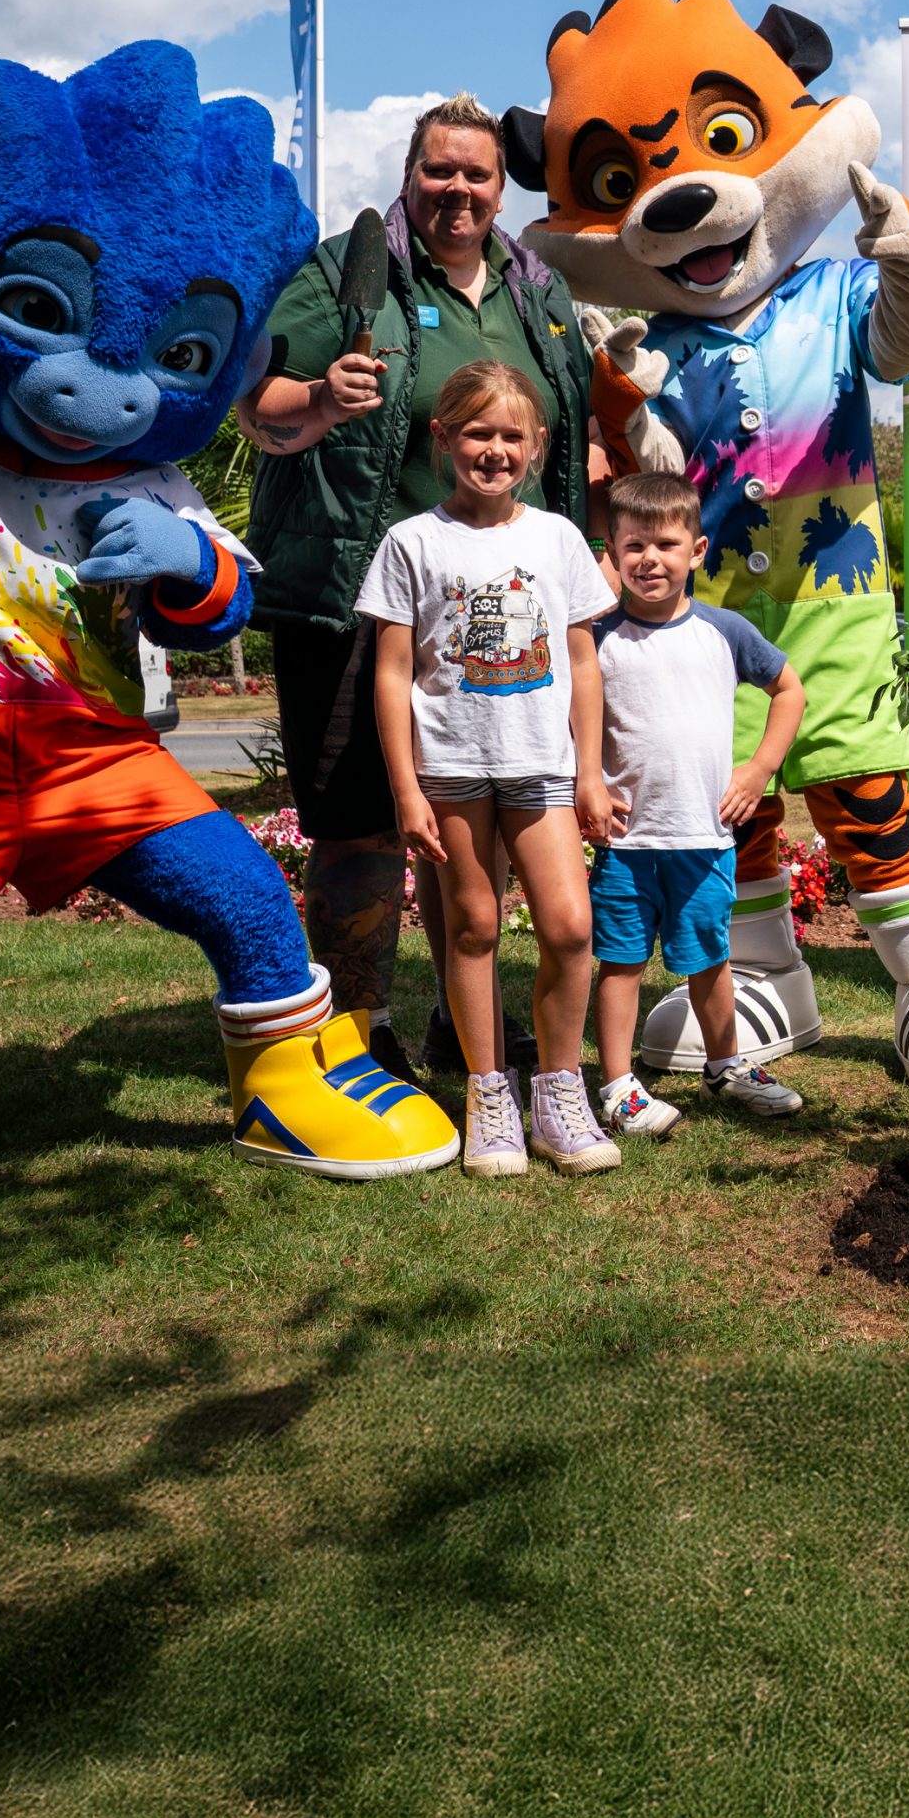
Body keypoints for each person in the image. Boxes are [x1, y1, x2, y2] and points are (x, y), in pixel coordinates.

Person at [240, 97, 596, 1087]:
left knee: (463, 820)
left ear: (500, 186)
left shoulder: (538, 290)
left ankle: (461, 1026)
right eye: (439, 171)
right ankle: (354, 1029)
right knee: (357, 820)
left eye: (476, 174)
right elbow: (254, 405)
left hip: (493, 617)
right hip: (354, 603)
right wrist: (316, 401)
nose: (458, 190)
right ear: (408, 175)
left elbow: (564, 434)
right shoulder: (347, 275)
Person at [360, 361, 619, 1178]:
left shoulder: (556, 537)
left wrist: (589, 771)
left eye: (512, 436)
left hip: (541, 767)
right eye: (478, 433)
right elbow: (393, 672)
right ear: (443, 440)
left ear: (538, 446)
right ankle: (489, 1095)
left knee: (571, 928)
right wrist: (406, 787)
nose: (495, 450)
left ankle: (559, 1089)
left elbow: (582, 662)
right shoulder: (412, 542)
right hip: (452, 771)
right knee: (470, 927)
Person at [587, 471, 811, 1134]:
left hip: (704, 837)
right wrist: (589, 786)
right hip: (627, 844)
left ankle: (727, 1067)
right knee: (621, 963)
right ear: (614, 552)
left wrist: (760, 770)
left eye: (664, 544)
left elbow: (790, 690)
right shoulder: (596, 639)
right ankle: (619, 1087)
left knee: (711, 960)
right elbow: (572, 721)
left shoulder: (726, 632)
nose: (648, 559)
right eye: (633, 546)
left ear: (697, 550)